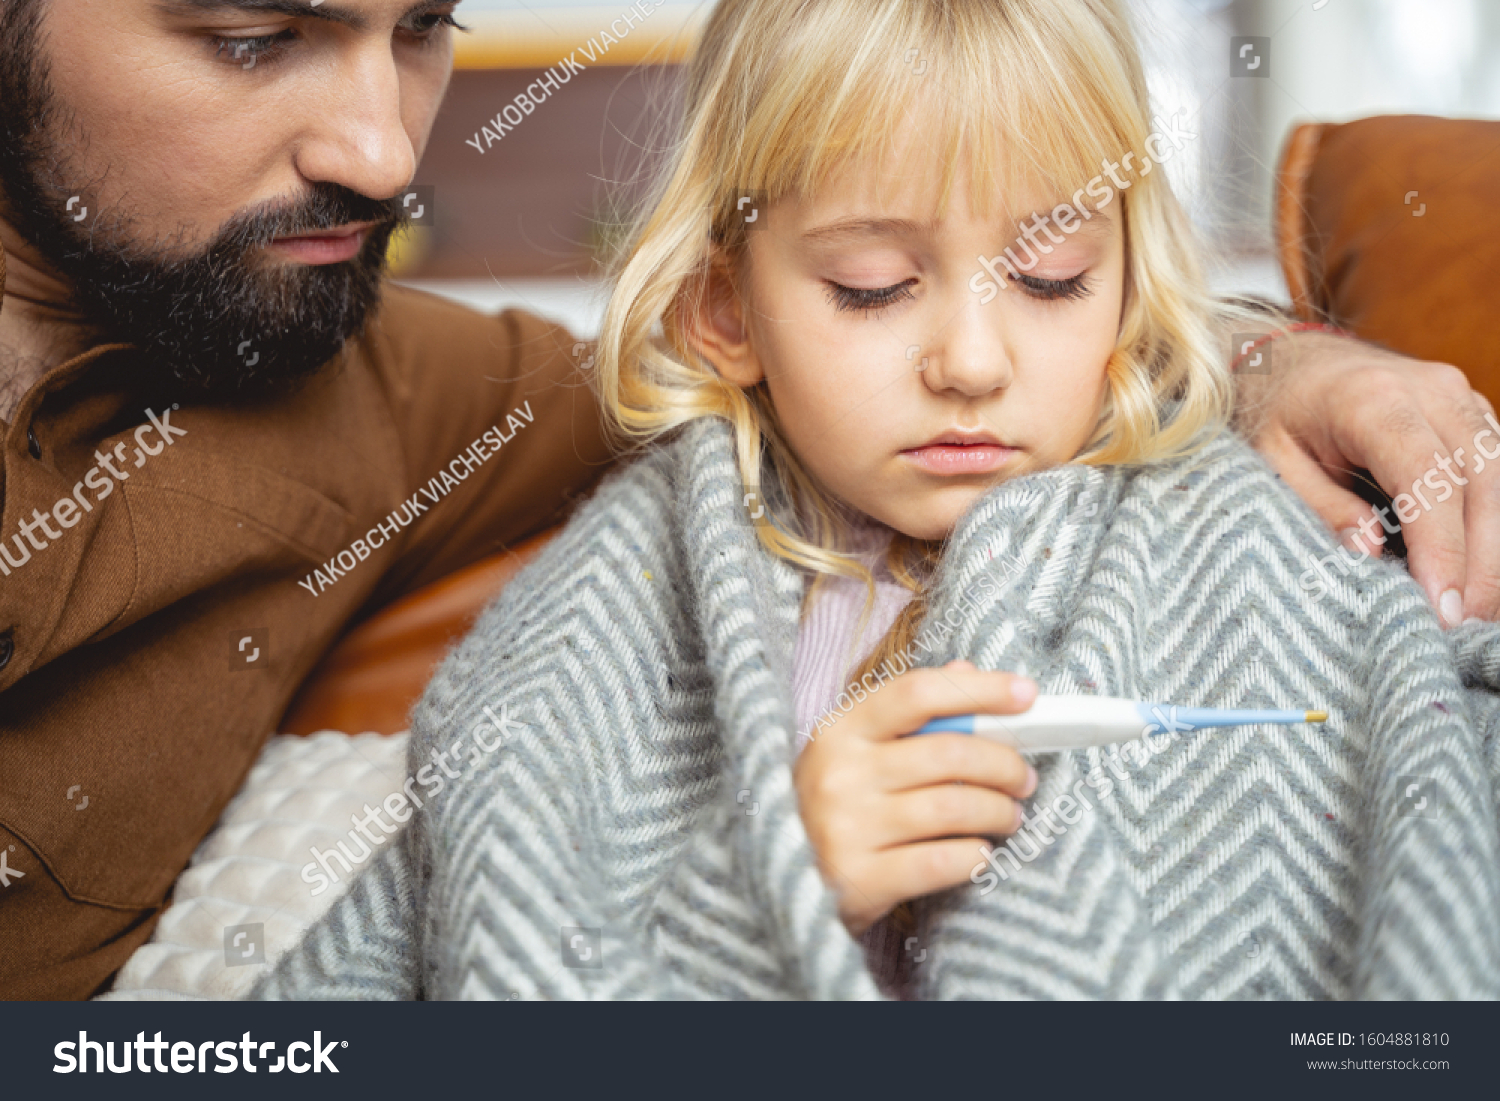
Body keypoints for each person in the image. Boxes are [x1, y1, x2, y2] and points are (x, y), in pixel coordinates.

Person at [0, 2, 1490, 1002]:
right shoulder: (625, 593)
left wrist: (1247, 362)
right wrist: (774, 881)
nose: (387, 154)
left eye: (423, 28)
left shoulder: (360, 368)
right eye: (254, 34)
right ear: (733, 304)